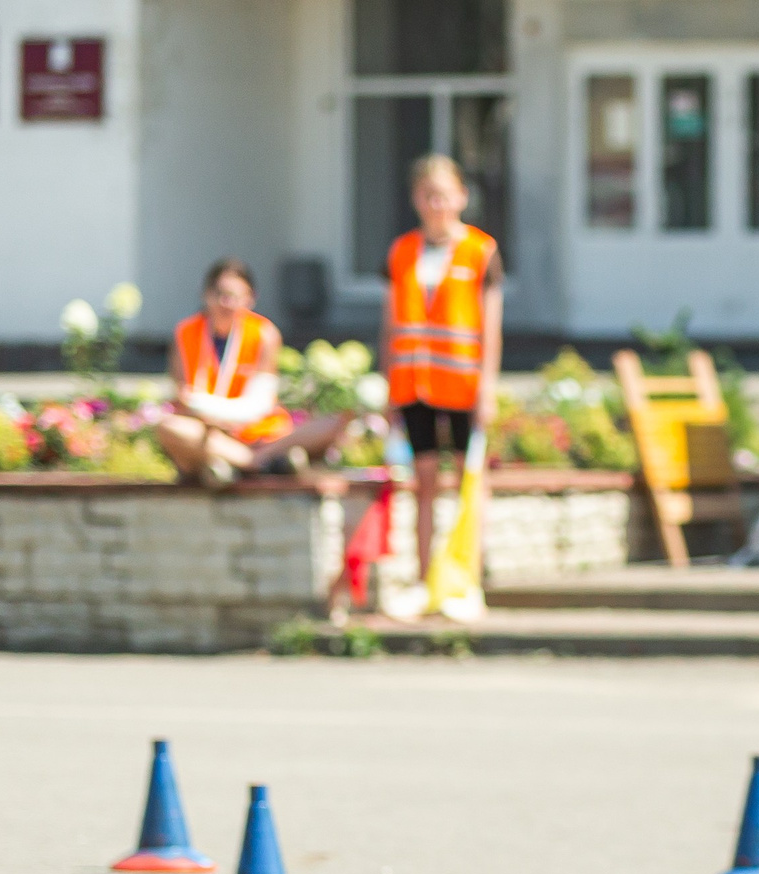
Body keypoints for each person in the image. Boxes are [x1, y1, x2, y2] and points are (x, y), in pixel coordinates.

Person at [382, 154, 504, 587]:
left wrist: (487, 388)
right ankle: (423, 577)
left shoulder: (480, 251)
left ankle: (468, 575)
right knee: (425, 483)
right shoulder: (402, 252)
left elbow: (491, 326)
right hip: (413, 383)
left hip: (462, 384)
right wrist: (388, 387)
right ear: (417, 199)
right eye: (429, 196)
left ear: (462, 198)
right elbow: (391, 322)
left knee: (470, 481)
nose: (437, 204)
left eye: (445, 195)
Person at [151, 260, 349, 486]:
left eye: (235, 296)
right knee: (169, 427)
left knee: (333, 423)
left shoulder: (264, 333)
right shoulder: (186, 332)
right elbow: (185, 396)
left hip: (260, 433)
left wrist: (222, 413)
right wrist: (213, 416)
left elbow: (260, 403)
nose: (227, 303)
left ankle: (246, 460)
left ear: (250, 298)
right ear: (206, 295)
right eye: (220, 294)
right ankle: (257, 463)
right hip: (211, 433)